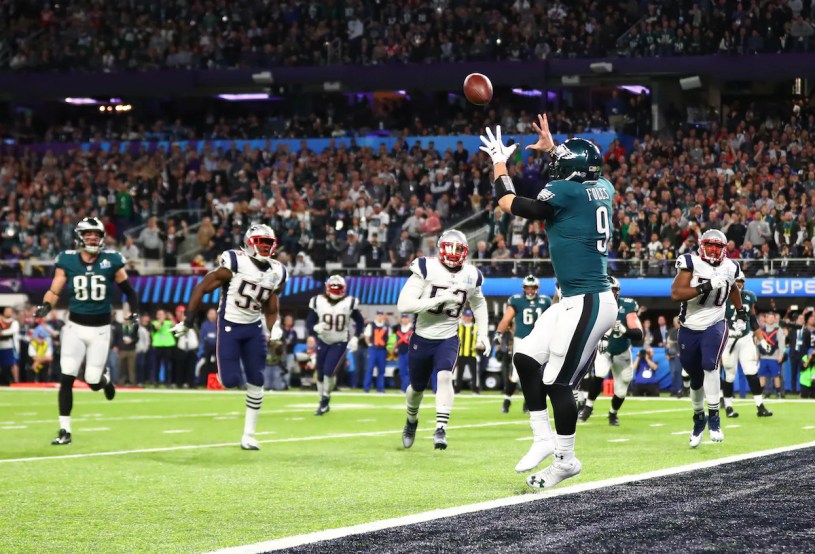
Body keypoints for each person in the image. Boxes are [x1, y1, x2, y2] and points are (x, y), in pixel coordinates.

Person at [482, 118, 617, 489]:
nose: (553, 168)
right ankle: (542, 437)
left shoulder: (564, 191)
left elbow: (507, 201)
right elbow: (580, 170)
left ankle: (565, 460)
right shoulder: (603, 186)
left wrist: (498, 161)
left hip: (590, 301)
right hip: (574, 299)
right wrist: (556, 148)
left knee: (557, 381)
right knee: (525, 358)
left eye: (559, 163)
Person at [171, 224, 286, 450]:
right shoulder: (235, 262)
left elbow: (272, 307)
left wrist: (275, 327)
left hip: (254, 328)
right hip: (230, 326)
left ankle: (249, 435)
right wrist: (188, 321)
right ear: (249, 243)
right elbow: (201, 288)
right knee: (230, 381)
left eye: (268, 243)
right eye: (261, 242)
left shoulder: (278, 271)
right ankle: (226, 372)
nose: (265, 247)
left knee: (257, 379)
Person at [34, 217, 141, 445]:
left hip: (100, 329)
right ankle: (65, 431)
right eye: (88, 234)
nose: (92, 238)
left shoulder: (112, 260)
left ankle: (104, 381)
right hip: (74, 327)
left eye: (96, 234)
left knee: (92, 380)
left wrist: (134, 313)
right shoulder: (67, 260)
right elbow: (54, 291)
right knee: (67, 376)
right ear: (80, 237)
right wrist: (46, 306)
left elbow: (129, 291)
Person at [396, 229, 490, 450]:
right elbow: (404, 305)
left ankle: (441, 428)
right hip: (422, 337)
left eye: (458, 249)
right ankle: (411, 419)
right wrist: (438, 300)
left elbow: (479, 303)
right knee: (416, 389)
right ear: (440, 249)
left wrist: (484, 334)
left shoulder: (471, 274)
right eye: (450, 248)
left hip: (448, 336)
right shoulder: (427, 267)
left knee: (445, 375)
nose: (454, 253)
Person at [671, 228, 745, 448]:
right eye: (709, 245)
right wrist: (706, 286)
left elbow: (733, 288)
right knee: (695, 377)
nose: (713, 250)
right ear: (702, 246)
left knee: (710, 365)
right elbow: (676, 293)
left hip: (715, 323)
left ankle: (714, 418)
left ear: (724, 249)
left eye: (717, 246)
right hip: (689, 326)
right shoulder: (690, 262)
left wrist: (740, 310)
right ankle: (698, 417)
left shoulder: (731, 266)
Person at [578, 276, 643, 426]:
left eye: (612, 290)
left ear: (617, 291)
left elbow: (639, 334)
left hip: (622, 352)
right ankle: (588, 407)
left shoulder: (627, 305)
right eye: (605, 290)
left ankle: (613, 413)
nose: (609, 294)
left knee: (621, 389)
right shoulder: (595, 305)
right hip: (604, 350)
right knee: (599, 374)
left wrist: (624, 330)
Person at [493, 275, 552, 413]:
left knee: (537, 373)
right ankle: (507, 401)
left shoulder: (545, 301)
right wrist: (499, 333)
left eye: (533, 288)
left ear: (537, 288)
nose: (530, 291)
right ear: (524, 288)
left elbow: (552, 319)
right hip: (521, 339)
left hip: (539, 339)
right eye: (528, 288)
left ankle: (528, 403)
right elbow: (506, 319)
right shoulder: (517, 300)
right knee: (516, 373)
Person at [306, 274, 364, 415]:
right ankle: (322, 400)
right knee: (320, 373)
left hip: (339, 341)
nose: (336, 290)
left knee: (329, 371)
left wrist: (356, 337)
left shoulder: (349, 302)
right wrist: (314, 328)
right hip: (323, 341)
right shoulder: (318, 301)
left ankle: (325, 398)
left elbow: (360, 322)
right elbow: (309, 322)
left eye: (338, 287)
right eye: (334, 287)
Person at [721, 275, 772, 417]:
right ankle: (729, 407)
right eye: (736, 281)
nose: (739, 284)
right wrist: (726, 332)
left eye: (741, 281)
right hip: (729, 340)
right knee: (729, 374)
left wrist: (762, 341)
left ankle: (760, 406)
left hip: (745, 338)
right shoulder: (722, 297)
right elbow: (716, 320)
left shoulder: (749, 297)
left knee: (752, 371)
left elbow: (753, 320)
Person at [758, 312, 786, 399]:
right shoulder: (761, 330)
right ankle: (760, 394)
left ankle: (778, 393)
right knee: (762, 376)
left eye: (772, 318)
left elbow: (781, 344)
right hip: (763, 357)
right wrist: (757, 354)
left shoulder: (778, 330)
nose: (770, 319)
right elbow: (758, 343)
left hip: (774, 357)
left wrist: (780, 355)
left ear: (774, 319)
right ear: (766, 319)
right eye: (768, 317)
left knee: (776, 376)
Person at [454, 309, 481, 394]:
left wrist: (478, 345)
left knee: (474, 373)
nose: (468, 318)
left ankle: (475, 390)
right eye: (466, 316)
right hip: (461, 353)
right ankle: (457, 390)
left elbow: (479, 339)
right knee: (459, 373)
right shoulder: (460, 326)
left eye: (469, 316)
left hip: (472, 353)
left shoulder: (475, 327)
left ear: (472, 317)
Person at [363, 310, 390, 393]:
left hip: (382, 350)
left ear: (383, 316)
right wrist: (370, 345)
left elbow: (388, 337)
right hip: (373, 350)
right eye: (378, 315)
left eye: (381, 315)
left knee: (381, 370)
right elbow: (367, 337)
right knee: (370, 368)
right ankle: (367, 387)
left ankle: (380, 388)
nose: (379, 317)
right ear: (376, 316)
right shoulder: (371, 325)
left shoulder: (386, 326)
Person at [393, 314, 413, 392]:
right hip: (401, 352)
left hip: (409, 352)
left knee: (409, 371)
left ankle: (408, 388)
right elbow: (397, 340)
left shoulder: (412, 329)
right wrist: (394, 348)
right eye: (403, 318)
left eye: (406, 318)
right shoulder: (399, 328)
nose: (404, 320)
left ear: (409, 319)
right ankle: (404, 388)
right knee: (402, 371)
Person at [0, 307, 20, 386]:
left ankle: (14, 381)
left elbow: (13, 331)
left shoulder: (14, 322)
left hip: (9, 346)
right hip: (1, 346)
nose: (8, 313)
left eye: (10, 311)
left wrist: (2, 333)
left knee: (11, 363)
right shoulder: (1, 321)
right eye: (7, 311)